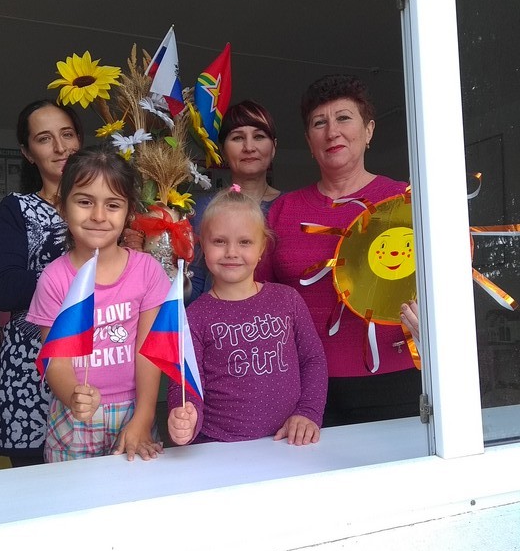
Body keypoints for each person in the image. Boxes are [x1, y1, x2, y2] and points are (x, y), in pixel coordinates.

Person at [257, 74, 421, 426]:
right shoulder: (283, 211)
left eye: (344, 118)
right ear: (309, 141)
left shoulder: (407, 201)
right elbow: (257, 294)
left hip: (397, 381)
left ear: (369, 130)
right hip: (302, 389)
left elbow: (442, 283)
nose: (332, 132)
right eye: (320, 123)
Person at [27, 145, 170, 462]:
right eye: (84, 201)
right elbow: (56, 361)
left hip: (134, 413)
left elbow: (149, 353)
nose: (98, 216)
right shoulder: (54, 279)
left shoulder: (147, 271)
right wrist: (73, 396)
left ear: (129, 212)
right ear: (62, 207)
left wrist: (144, 418)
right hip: (74, 418)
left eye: (113, 205)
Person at [167, 187, 327, 446]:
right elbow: (185, 382)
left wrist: (308, 412)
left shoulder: (288, 300)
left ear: (262, 247)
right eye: (219, 241)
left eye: (245, 242)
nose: (231, 252)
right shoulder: (194, 316)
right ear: (202, 245)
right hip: (218, 447)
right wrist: (185, 416)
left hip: (287, 443)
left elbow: (313, 360)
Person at [0, 99, 83, 466]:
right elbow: (4, 288)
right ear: (28, 153)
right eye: (44, 139)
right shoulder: (16, 210)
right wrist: (74, 275)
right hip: (31, 372)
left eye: (67, 134)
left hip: (99, 363)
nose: (60, 148)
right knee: (37, 486)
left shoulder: (109, 206)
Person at [189, 100, 281, 301]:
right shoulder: (203, 209)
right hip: (214, 317)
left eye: (259, 136)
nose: (249, 147)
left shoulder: (290, 207)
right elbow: (195, 285)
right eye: (238, 138)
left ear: (274, 147)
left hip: (274, 319)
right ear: (222, 150)